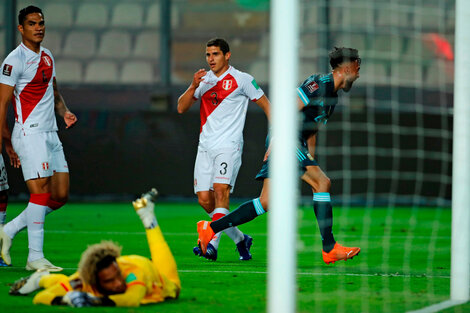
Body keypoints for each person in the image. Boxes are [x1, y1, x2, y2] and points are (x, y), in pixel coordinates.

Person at [197, 47, 362, 265]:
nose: (359, 74)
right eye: (358, 67)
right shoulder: (318, 84)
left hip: (296, 143)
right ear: (347, 67)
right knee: (323, 183)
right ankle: (329, 248)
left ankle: (210, 228)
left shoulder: (332, 99)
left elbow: (311, 132)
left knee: (266, 202)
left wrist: (309, 160)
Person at [177, 38, 270, 261]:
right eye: (208, 55)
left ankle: (212, 245)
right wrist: (192, 86)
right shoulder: (203, 80)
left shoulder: (243, 80)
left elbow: (267, 105)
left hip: (229, 145)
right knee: (204, 199)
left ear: (227, 56)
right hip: (205, 147)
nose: (211, 59)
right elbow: (181, 107)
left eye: (215, 54)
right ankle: (240, 239)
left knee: (221, 192)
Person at [0, 5, 78, 271]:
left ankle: (8, 230)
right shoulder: (14, 61)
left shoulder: (47, 56)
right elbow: (3, 104)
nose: (39, 27)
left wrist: (64, 111)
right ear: (21, 28)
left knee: (60, 195)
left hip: (50, 133)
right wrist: (7, 142)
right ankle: (35, 257)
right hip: (29, 133)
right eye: (32, 24)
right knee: (41, 193)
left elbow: (53, 90)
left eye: (41, 23)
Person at [9, 188, 181, 307]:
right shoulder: (84, 279)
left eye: (117, 275)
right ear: (92, 281)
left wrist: (92, 301)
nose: (118, 283)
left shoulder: (133, 273)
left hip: (156, 274)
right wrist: (65, 300)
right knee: (68, 284)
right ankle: (41, 279)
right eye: (109, 281)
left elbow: (132, 299)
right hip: (92, 287)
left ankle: (148, 218)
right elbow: (41, 298)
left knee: (175, 286)